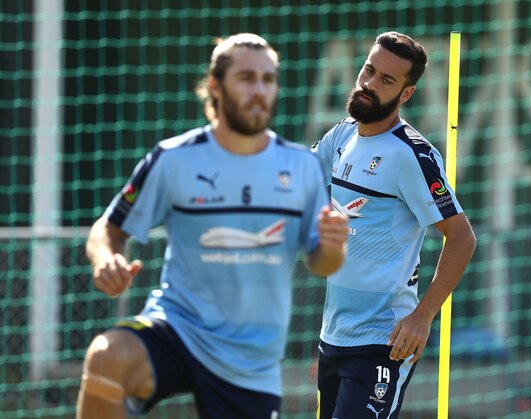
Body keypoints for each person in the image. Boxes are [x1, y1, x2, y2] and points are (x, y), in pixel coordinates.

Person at [76, 33, 348, 419]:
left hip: (250, 359)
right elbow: (109, 229)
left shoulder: (301, 167)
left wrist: (334, 248)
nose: (259, 90)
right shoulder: (173, 159)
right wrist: (105, 258)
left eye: (268, 80)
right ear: (215, 87)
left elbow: (321, 263)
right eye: (246, 78)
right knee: (108, 356)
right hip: (179, 325)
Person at [310, 31, 477, 418]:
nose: (369, 83)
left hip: (384, 342)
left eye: (386, 80)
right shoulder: (342, 135)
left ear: (406, 94)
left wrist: (423, 316)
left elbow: (462, 238)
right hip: (332, 337)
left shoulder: (411, 156)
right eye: (369, 70)